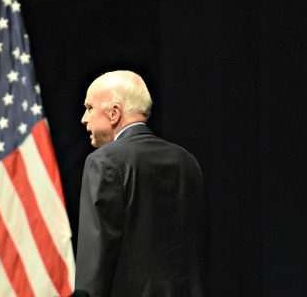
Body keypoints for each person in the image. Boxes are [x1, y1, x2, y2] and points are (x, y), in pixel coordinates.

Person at [74, 70, 209, 296]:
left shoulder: (103, 161)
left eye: (89, 108)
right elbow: (199, 251)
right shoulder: (187, 161)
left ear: (114, 113)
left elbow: (95, 260)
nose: (84, 119)